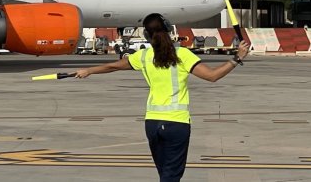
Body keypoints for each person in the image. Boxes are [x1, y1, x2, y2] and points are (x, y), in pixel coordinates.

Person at [75, 13, 250, 182]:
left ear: (146, 34)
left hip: (152, 123)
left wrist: (88, 71)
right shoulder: (182, 55)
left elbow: (113, 66)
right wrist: (236, 58)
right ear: (168, 29)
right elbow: (213, 76)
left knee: (165, 174)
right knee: (171, 176)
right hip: (176, 123)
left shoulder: (143, 56)